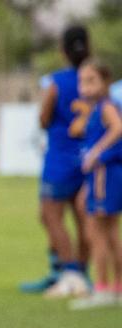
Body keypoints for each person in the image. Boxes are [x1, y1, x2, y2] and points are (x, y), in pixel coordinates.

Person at [25, 25, 92, 297]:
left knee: (50, 216)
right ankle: (78, 273)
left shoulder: (56, 82)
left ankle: (70, 272)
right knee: (82, 219)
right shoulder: (95, 78)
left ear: (62, 50)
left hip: (60, 160)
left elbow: (43, 118)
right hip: (87, 158)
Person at [72, 59, 122, 310]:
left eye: (91, 80)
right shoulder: (93, 109)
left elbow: (118, 128)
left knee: (98, 232)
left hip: (105, 175)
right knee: (111, 232)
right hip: (103, 175)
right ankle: (116, 288)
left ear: (105, 83)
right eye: (82, 81)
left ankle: (102, 287)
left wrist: (96, 154)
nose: (85, 86)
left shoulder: (106, 107)